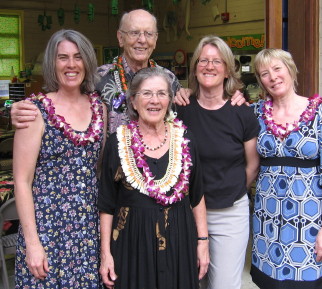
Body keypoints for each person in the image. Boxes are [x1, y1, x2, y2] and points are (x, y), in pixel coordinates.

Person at [98, 67, 209, 289]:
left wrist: (203, 243)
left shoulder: (185, 139)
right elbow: (107, 205)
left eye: (161, 94)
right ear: (133, 101)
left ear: (169, 100)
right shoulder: (117, 143)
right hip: (132, 245)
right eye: (146, 93)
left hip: (179, 241)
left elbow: (197, 197)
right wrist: (105, 254)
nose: (154, 100)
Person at [13, 29, 107, 288]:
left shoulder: (99, 108)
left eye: (78, 57)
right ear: (51, 63)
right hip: (47, 229)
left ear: (87, 62)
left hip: (88, 230)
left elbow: (98, 170)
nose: (71, 64)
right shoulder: (34, 111)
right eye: (62, 57)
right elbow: (21, 181)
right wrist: (32, 243)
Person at [249, 48, 322, 289]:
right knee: (269, 283)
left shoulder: (320, 113)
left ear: (290, 70)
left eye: (277, 69)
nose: (272, 77)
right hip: (267, 220)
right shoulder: (255, 113)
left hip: (308, 221)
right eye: (264, 73)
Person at [10, 9, 187, 133]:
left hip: (158, 174)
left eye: (149, 34)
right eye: (134, 33)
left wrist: (191, 92)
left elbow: (185, 117)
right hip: (108, 175)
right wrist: (25, 110)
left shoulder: (169, 79)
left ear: (155, 40)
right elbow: (62, 102)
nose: (142, 40)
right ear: (120, 37)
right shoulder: (97, 78)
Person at [175, 35, 260, 289]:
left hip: (228, 214)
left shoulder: (242, 113)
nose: (209, 66)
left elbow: (252, 165)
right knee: (190, 282)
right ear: (195, 67)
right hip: (186, 214)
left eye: (216, 61)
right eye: (203, 60)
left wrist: (230, 188)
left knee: (223, 284)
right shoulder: (180, 109)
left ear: (227, 70)